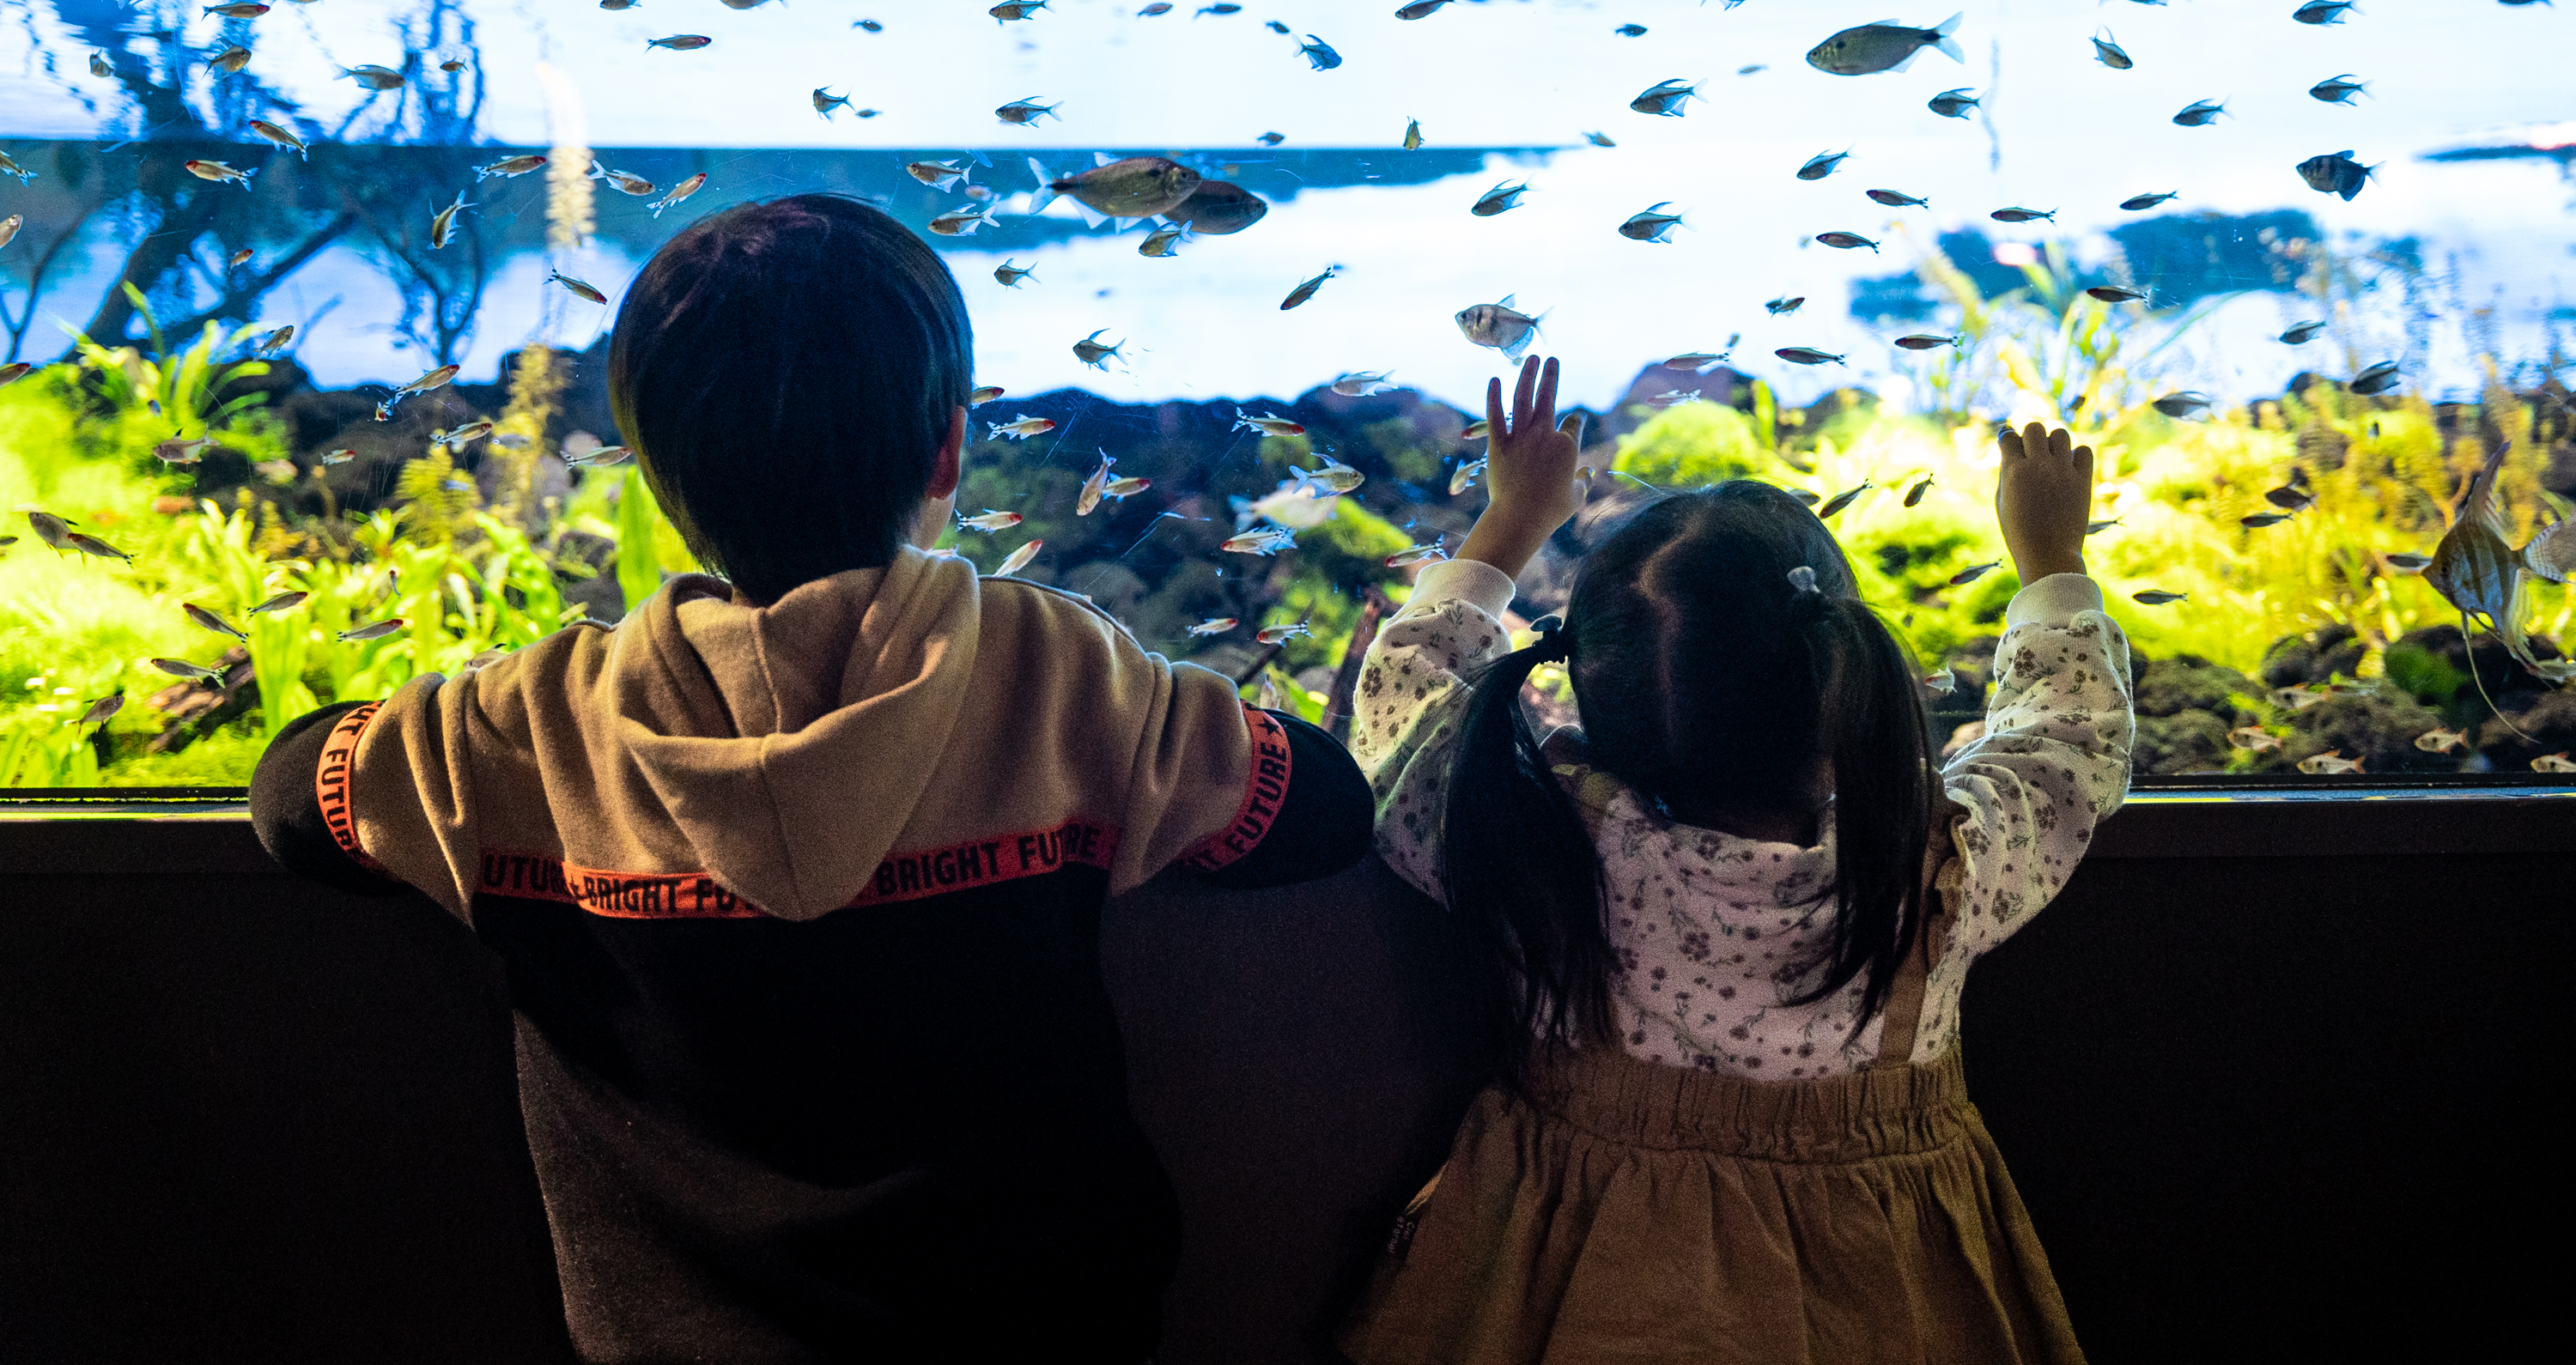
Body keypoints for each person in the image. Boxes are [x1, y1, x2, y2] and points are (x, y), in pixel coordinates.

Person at [248, 194, 1376, 1365]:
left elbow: (295, 802)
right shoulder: (1056, 678)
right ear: (948, 445)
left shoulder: (533, 723)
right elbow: (1322, 813)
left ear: (655, 474)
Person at [1334, 355, 2132, 1365]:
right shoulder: (1933, 872)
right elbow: (2068, 747)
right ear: (1843, 681)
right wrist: (2052, 559)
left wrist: (1510, 521)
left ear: (1587, 684)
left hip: (1567, 1274)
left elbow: (1407, 702)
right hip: (1873, 1277)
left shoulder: (1532, 841)